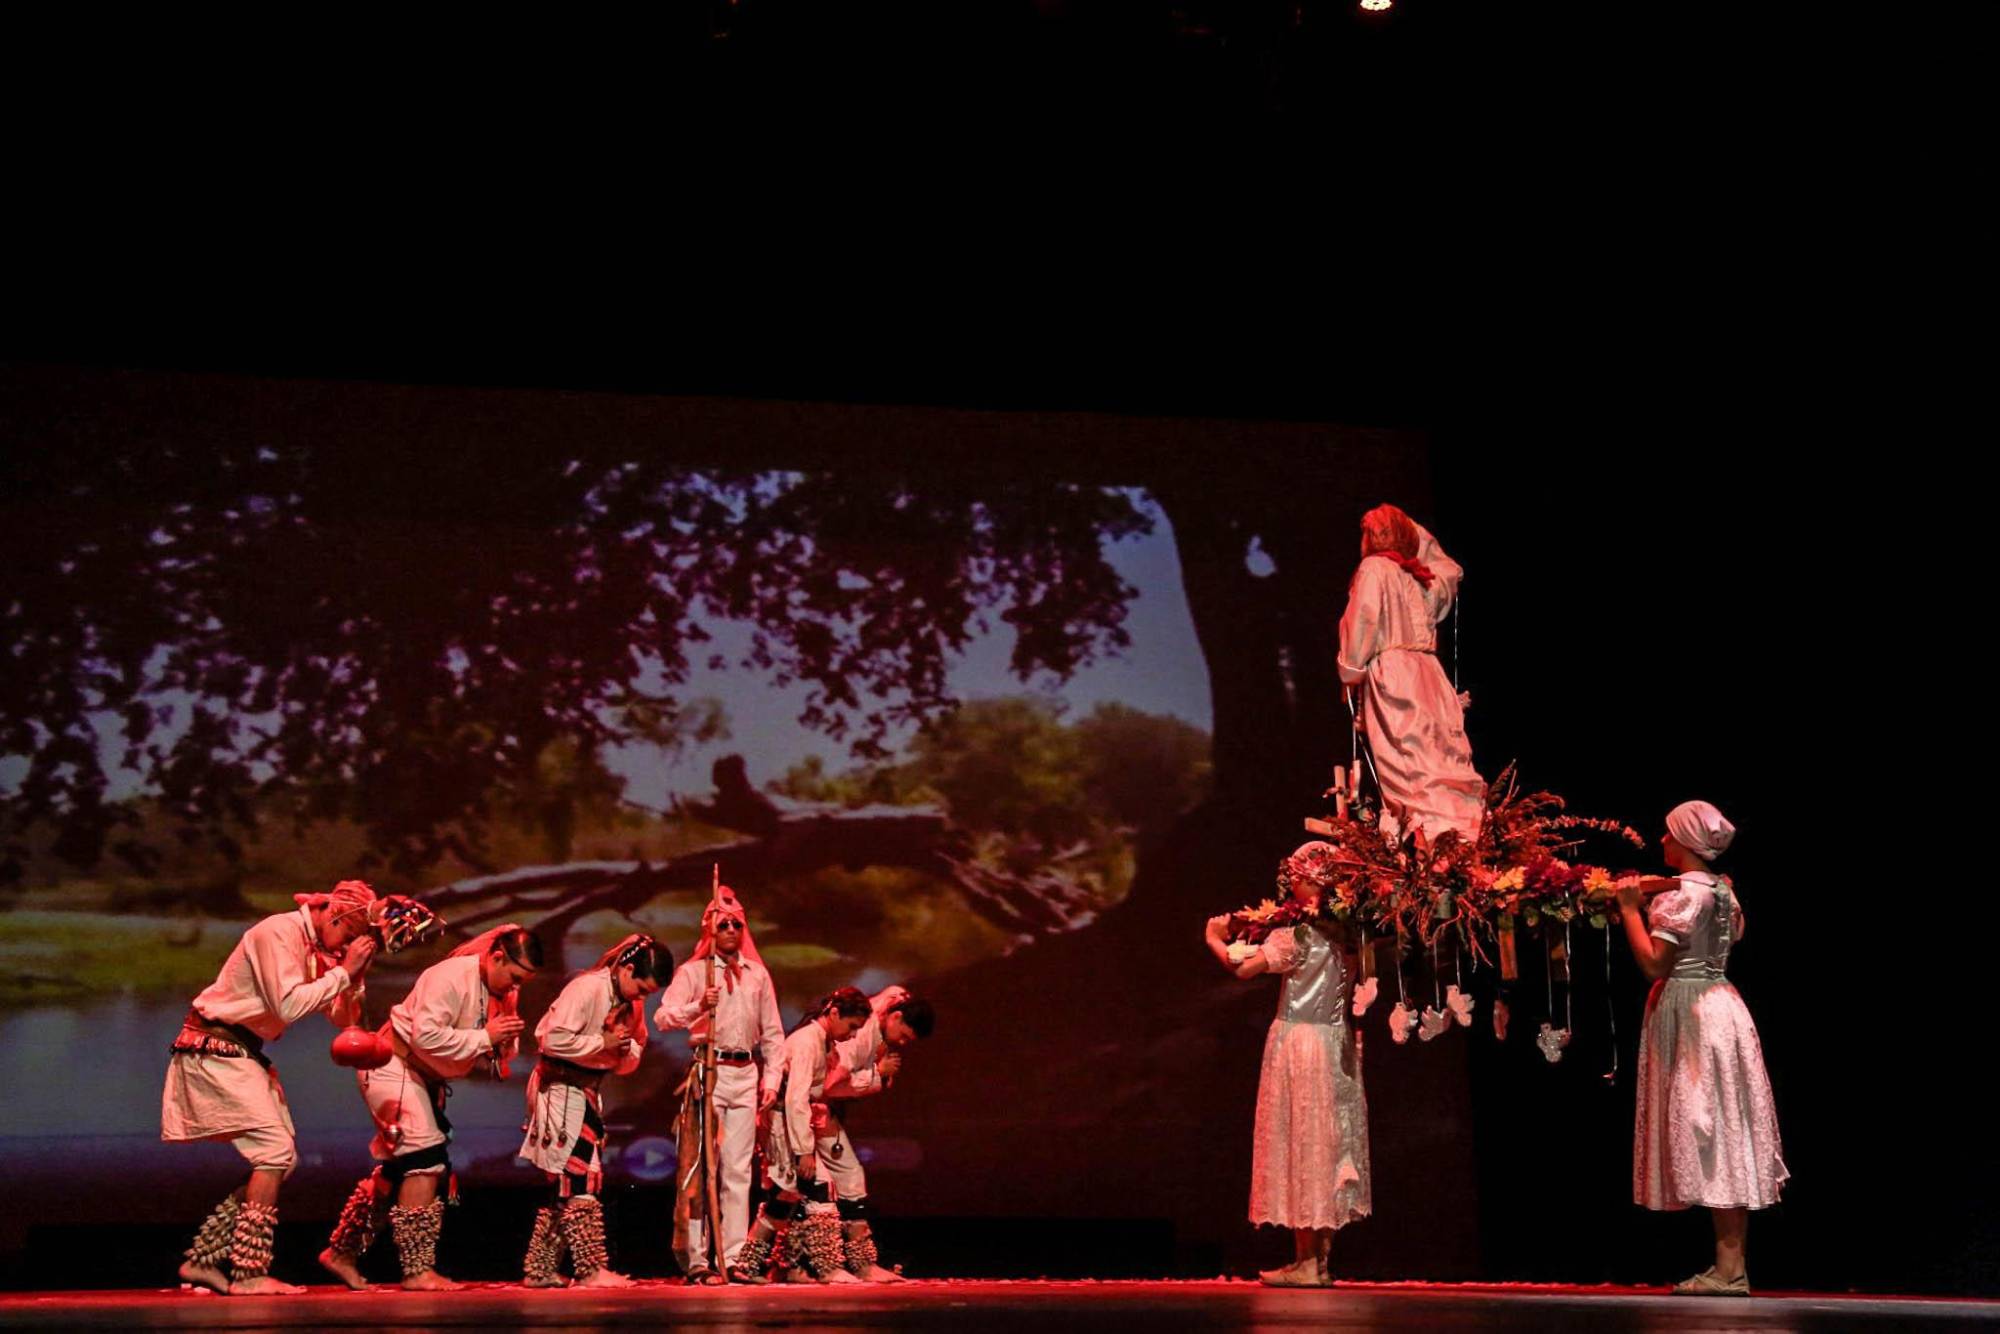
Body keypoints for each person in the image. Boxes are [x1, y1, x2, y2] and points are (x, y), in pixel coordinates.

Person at [160, 878, 382, 1295]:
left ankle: (202, 1260)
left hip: (241, 1051)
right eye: (346, 936)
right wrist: (343, 971)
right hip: (215, 1046)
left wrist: (354, 977)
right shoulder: (276, 932)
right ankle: (249, 1272)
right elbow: (288, 1005)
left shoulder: (320, 948)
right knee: (275, 1153)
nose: (341, 948)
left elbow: (342, 1019)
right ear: (332, 915)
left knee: (282, 1158)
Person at [1616, 800, 1787, 1297]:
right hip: (1722, 1005)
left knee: (1706, 1125)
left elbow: (1654, 966)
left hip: (1691, 1012)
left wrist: (1629, 911)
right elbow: (1730, 938)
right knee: (1720, 1125)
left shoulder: (1683, 896)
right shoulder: (1722, 891)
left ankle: (1730, 1269)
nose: (1662, 841)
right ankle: (1730, 1266)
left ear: (1685, 840)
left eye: (1668, 834)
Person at [319, 925, 542, 1290]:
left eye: (523, 982)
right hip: (394, 1065)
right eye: (514, 977)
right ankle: (416, 1270)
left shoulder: (503, 991)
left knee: (399, 1169)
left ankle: (341, 1252)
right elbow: (427, 1036)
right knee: (425, 1158)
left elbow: (497, 1050)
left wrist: (501, 1045)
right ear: (497, 957)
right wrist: (486, 1036)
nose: (515, 987)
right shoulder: (449, 977)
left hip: (425, 1078)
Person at [1204, 842, 1371, 1287]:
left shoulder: (1294, 935)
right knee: (1329, 1144)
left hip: (1299, 1041)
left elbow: (1242, 970)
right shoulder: (1351, 934)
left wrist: (1214, 939)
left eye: (1294, 880)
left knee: (1304, 1143)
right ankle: (1321, 1260)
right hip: (1337, 1043)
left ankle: (1307, 1263)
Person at [517, 932, 671, 1288]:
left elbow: (632, 1056)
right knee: (579, 1176)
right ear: (627, 968)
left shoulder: (632, 1003)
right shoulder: (587, 989)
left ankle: (539, 1269)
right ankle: (589, 1269)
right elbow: (551, 1039)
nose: (643, 997)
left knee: (568, 1180)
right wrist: (603, 1041)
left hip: (586, 1089)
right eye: (642, 988)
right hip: (559, 1087)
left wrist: (622, 1050)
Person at [653, 886, 785, 1283]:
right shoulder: (694, 972)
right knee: (700, 1166)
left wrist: (772, 1079)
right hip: (708, 1072)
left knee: (738, 1170)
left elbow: (773, 1033)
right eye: (722, 922)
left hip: (745, 1073)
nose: (730, 928)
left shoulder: (757, 974)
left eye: (736, 923)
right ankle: (698, 1259)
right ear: (708, 928)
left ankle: (735, 1258)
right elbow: (663, 1018)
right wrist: (698, 1006)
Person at [1336, 504, 1484, 845]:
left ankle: (1431, 842)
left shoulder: (1375, 568)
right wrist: (1408, 528)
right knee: (1436, 756)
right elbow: (1450, 568)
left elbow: (1364, 620)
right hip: (1429, 675)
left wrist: (1351, 672)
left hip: (1395, 676)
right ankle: (1456, 837)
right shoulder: (1423, 577)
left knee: (1410, 763)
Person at [730, 987, 871, 1285]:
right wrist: (804, 1150)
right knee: (815, 1188)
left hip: (789, 1123)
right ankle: (825, 1265)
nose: (854, 1034)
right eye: (852, 1026)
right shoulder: (808, 1042)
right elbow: (795, 1099)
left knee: (787, 1194)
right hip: (783, 1124)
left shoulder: (821, 1042)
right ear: (834, 1014)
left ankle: (759, 1264)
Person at [820, 985, 936, 1280]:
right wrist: (876, 1074)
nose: (904, 1043)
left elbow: (895, 991)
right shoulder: (861, 1035)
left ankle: (847, 1263)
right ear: (895, 1017)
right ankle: (823, 1265)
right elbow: (831, 1084)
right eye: (905, 1036)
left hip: (820, 1111)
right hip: (809, 1110)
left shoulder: (883, 1024)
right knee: (821, 1183)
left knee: (840, 1179)